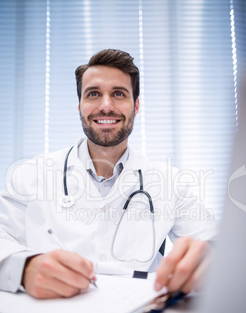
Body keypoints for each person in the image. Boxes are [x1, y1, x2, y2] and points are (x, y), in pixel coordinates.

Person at [0, 49, 215, 299]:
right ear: (80, 106)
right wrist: (24, 268)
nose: (105, 106)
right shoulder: (30, 174)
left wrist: (207, 256)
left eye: (118, 94)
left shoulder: (171, 183)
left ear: (135, 106)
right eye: (93, 94)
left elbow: (216, 242)